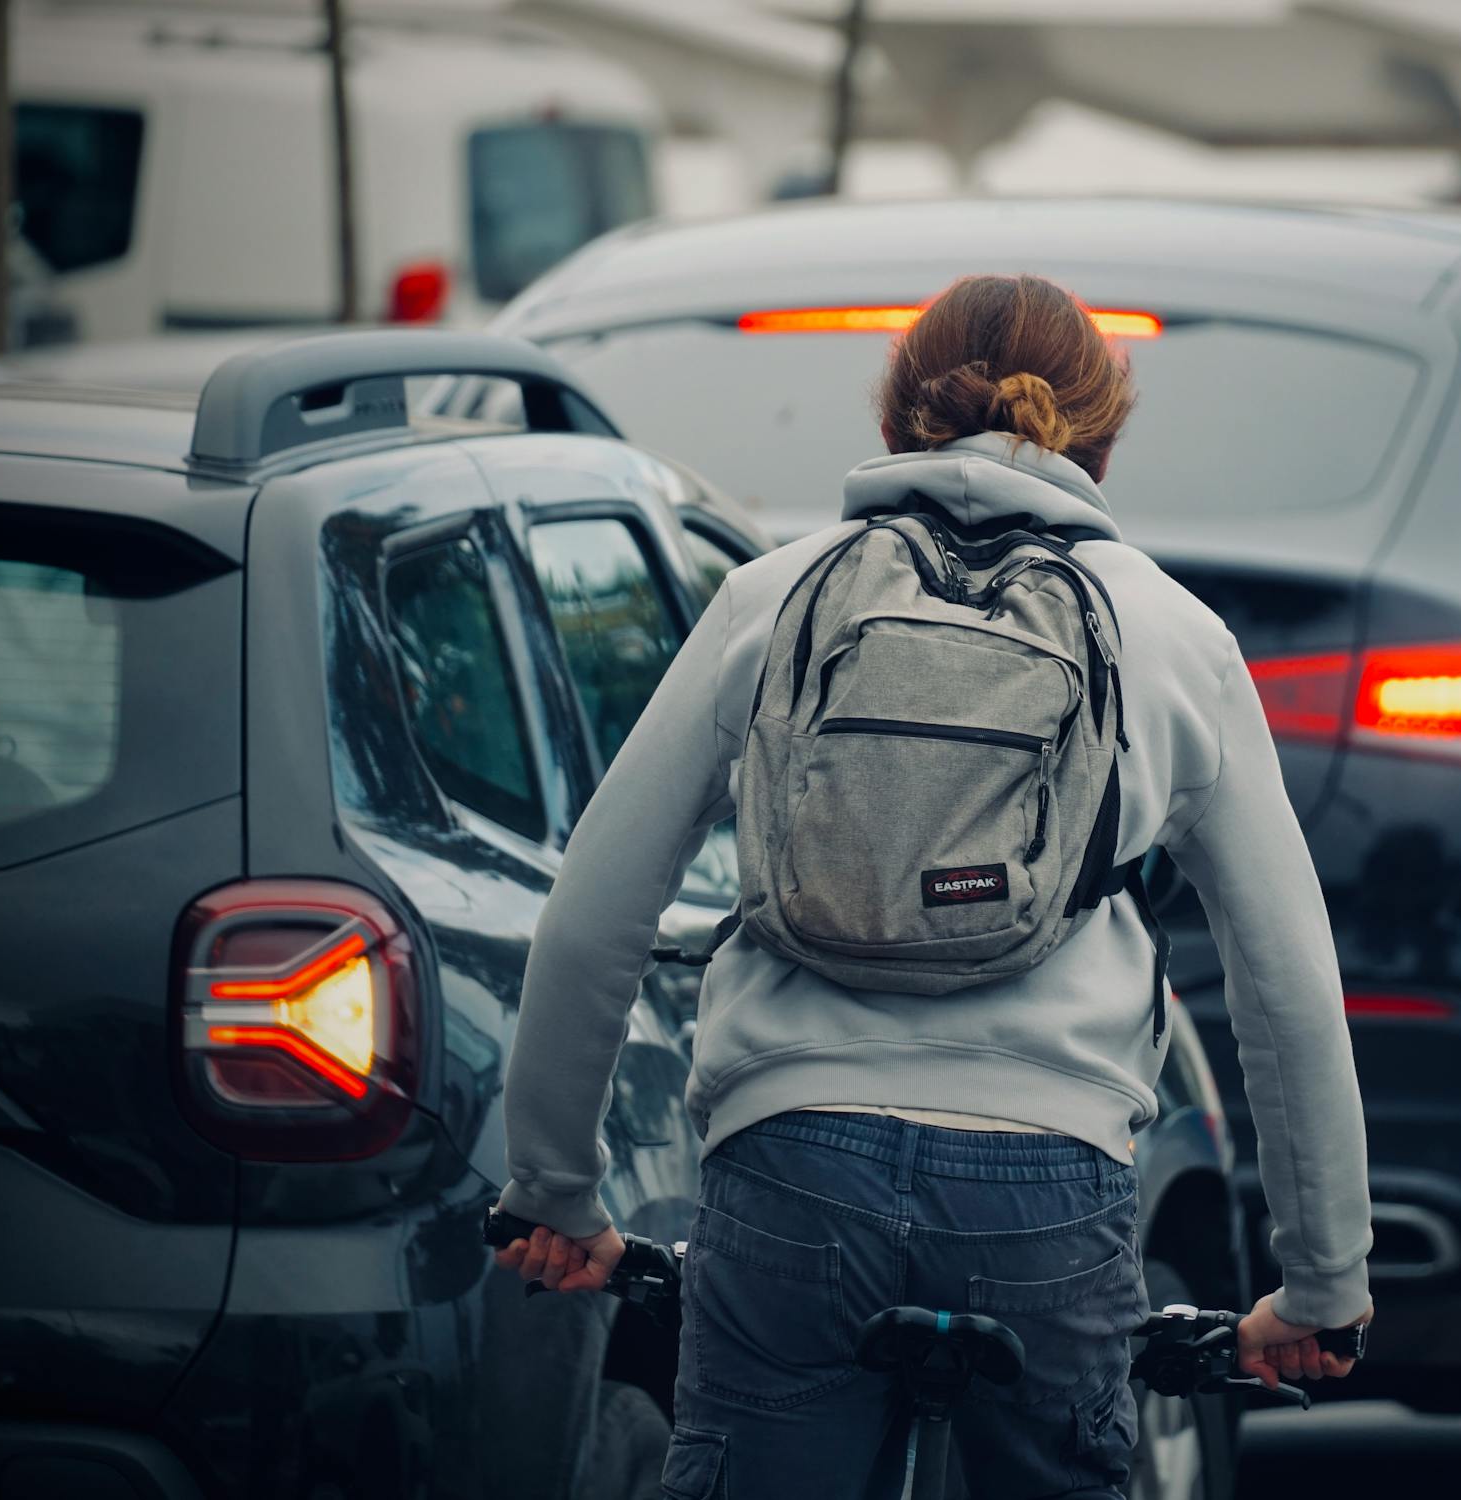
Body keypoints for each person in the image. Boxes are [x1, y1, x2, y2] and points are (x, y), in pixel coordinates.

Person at [494, 274, 1373, 1498]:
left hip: (791, 1176)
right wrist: (1322, 1283)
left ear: (898, 413)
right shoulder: (1178, 639)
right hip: (1046, 1197)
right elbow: (1288, 988)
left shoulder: (773, 597)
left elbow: (594, 914)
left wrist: (555, 1188)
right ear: (1101, 440)